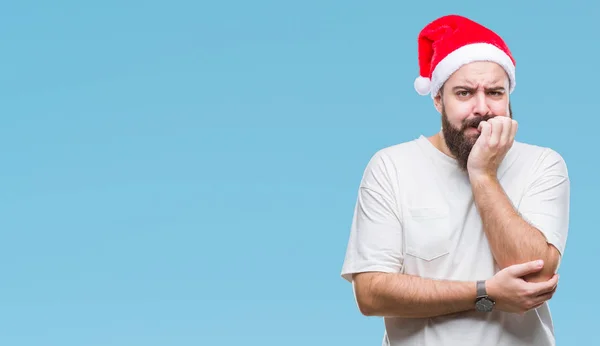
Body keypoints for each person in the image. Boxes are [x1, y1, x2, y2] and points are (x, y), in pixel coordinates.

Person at [340, 14, 570, 346]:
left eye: (495, 92)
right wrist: (484, 293)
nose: (482, 108)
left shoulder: (543, 164)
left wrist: (483, 173)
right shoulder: (391, 166)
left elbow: (536, 274)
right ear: (438, 99)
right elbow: (371, 294)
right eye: (463, 93)